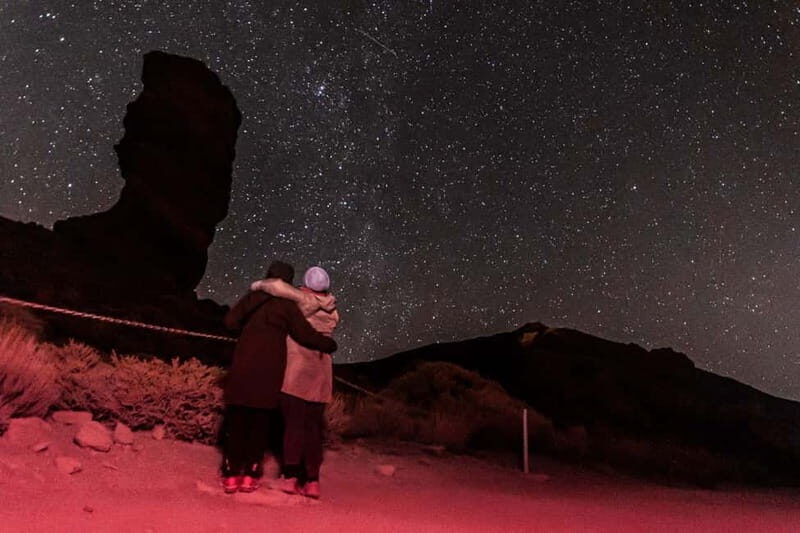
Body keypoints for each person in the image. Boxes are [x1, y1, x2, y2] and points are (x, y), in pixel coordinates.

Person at [220, 260, 338, 494]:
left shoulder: (254, 298)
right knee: (262, 423)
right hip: (275, 371)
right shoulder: (292, 307)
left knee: (237, 421)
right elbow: (305, 334)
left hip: (245, 367)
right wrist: (329, 344)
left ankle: (231, 474)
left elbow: (230, 322)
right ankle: (253, 474)